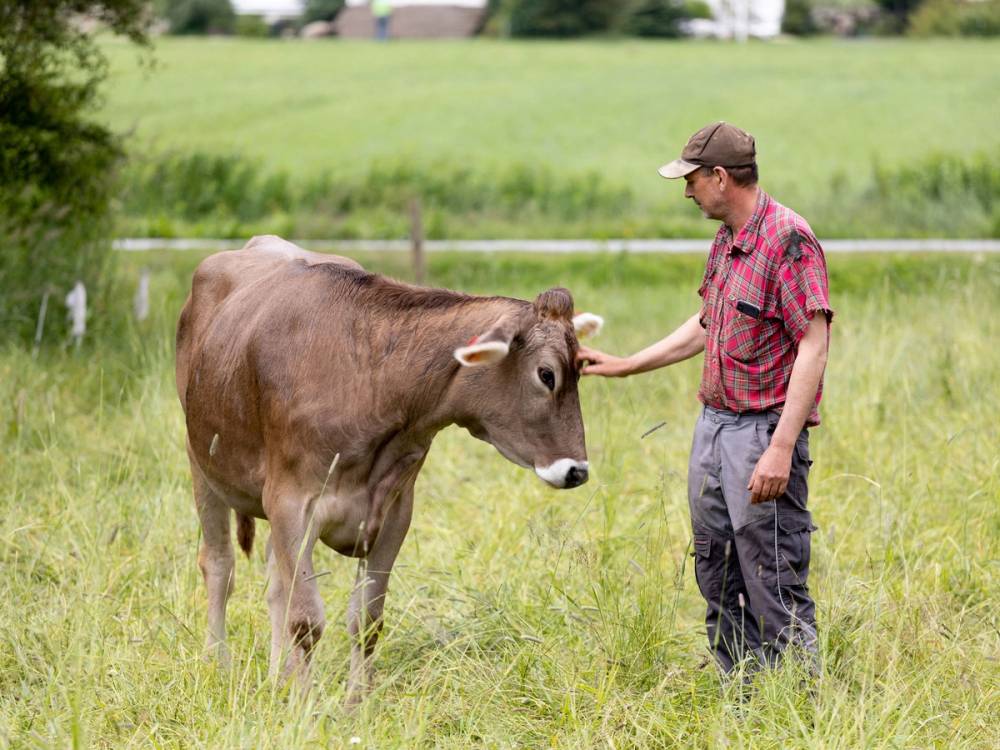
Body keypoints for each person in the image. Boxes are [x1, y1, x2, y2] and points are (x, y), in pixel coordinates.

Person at [577, 122, 832, 675]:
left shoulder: (788, 239)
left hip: (762, 429)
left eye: (691, 180)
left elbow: (813, 346)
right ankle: (739, 693)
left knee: (772, 571)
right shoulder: (727, 240)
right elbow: (706, 323)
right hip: (713, 427)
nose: (687, 191)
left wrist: (782, 447)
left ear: (721, 176)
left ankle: (798, 707)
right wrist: (625, 365)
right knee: (717, 567)